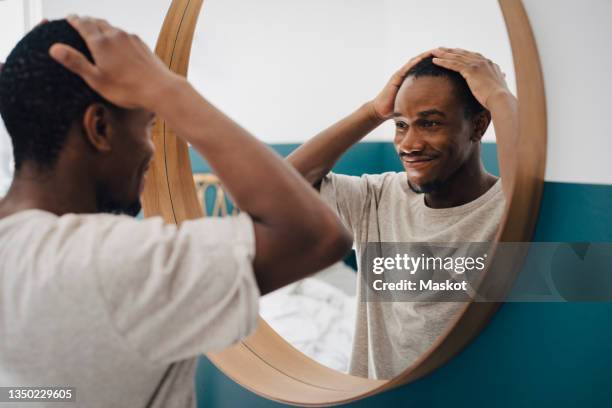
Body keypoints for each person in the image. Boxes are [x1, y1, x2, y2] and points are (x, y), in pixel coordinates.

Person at [0, 17, 352, 407]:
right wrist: (163, 87)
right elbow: (315, 235)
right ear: (99, 128)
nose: (152, 150)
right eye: (150, 124)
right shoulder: (108, 262)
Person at [287, 50, 517, 379]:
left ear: (478, 125)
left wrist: (498, 96)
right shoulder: (378, 197)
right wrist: (371, 112)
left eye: (430, 123)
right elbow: (282, 187)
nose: (409, 143)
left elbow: (531, 190)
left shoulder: (506, 208)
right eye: (400, 125)